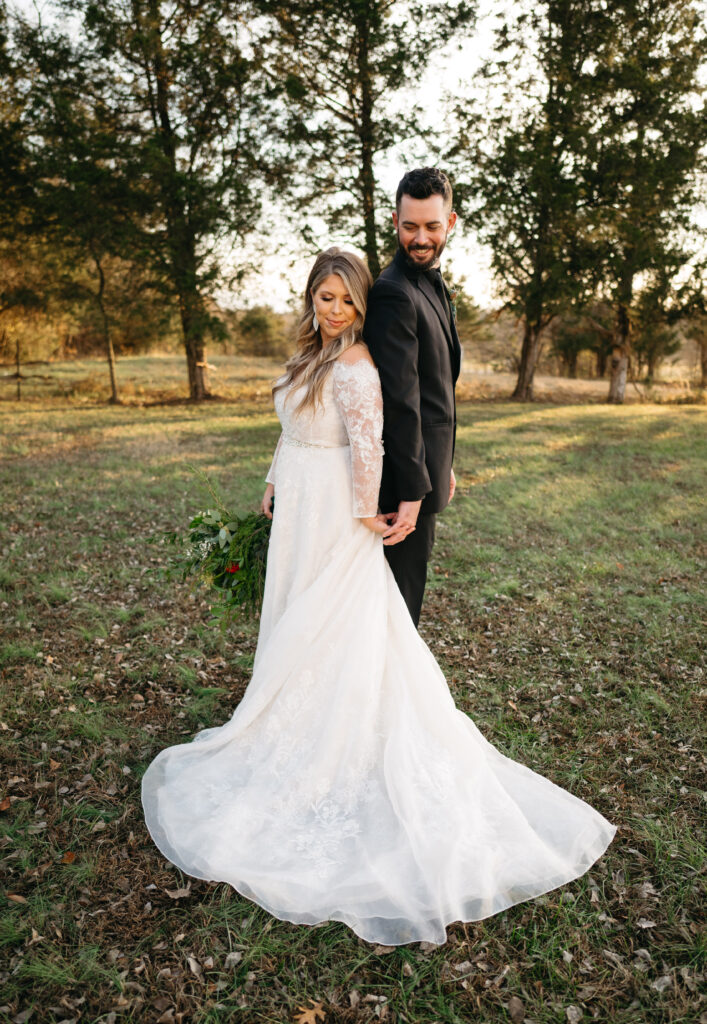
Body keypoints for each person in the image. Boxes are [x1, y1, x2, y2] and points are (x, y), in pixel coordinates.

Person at [141, 247, 616, 947]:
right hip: (297, 505)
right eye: (322, 297)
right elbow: (290, 429)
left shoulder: (358, 366)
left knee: (332, 626)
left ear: (361, 305)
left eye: (343, 300)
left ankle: (332, 735)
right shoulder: (311, 356)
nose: (331, 309)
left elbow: (368, 448)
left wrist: (369, 521)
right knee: (295, 620)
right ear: (310, 299)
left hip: (334, 514)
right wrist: (273, 481)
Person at [364, 167, 461, 627]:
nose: (420, 238)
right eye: (409, 226)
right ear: (395, 221)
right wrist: (413, 490)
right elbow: (400, 403)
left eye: (431, 226)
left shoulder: (432, 283)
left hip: (425, 469)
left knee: (406, 599)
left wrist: (445, 462)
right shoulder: (392, 292)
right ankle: (381, 697)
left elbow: (434, 394)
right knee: (397, 606)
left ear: (452, 223)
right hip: (402, 486)